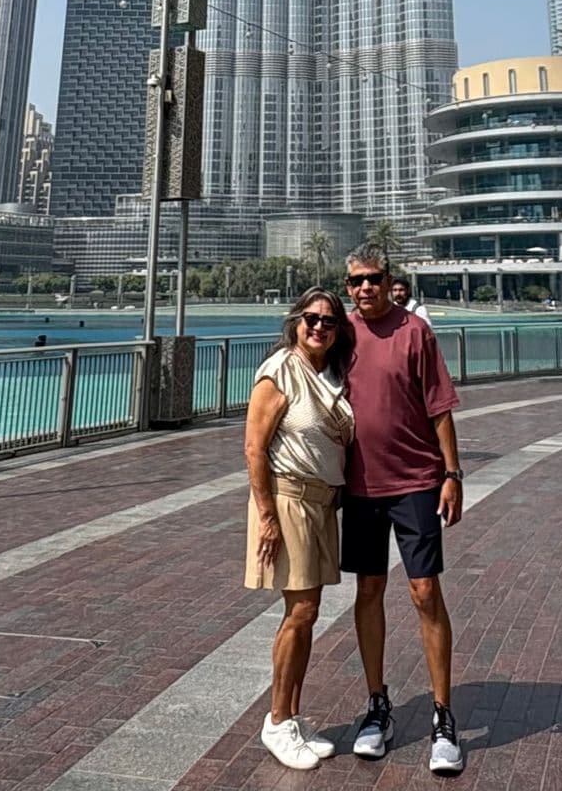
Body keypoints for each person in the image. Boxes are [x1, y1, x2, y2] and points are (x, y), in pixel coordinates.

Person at [342, 246, 466, 775]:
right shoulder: (339, 334)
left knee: (424, 591)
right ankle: (377, 705)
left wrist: (453, 474)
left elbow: (439, 408)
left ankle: (443, 715)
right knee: (368, 589)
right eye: (355, 282)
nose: (364, 289)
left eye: (372, 279)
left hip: (416, 482)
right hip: (360, 487)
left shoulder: (415, 332)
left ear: (388, 281)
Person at [243, 287, 356, 772]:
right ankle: (275, 721)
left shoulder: (328, 376)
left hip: (321, 503)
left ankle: (289, 715)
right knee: (301, 610)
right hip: (287, 500)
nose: (318, 327)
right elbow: (254, 448)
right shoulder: (279, 371)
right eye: (311, 318)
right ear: (295, 322)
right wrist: (267, 515)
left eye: (328, 322)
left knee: (307, 614)